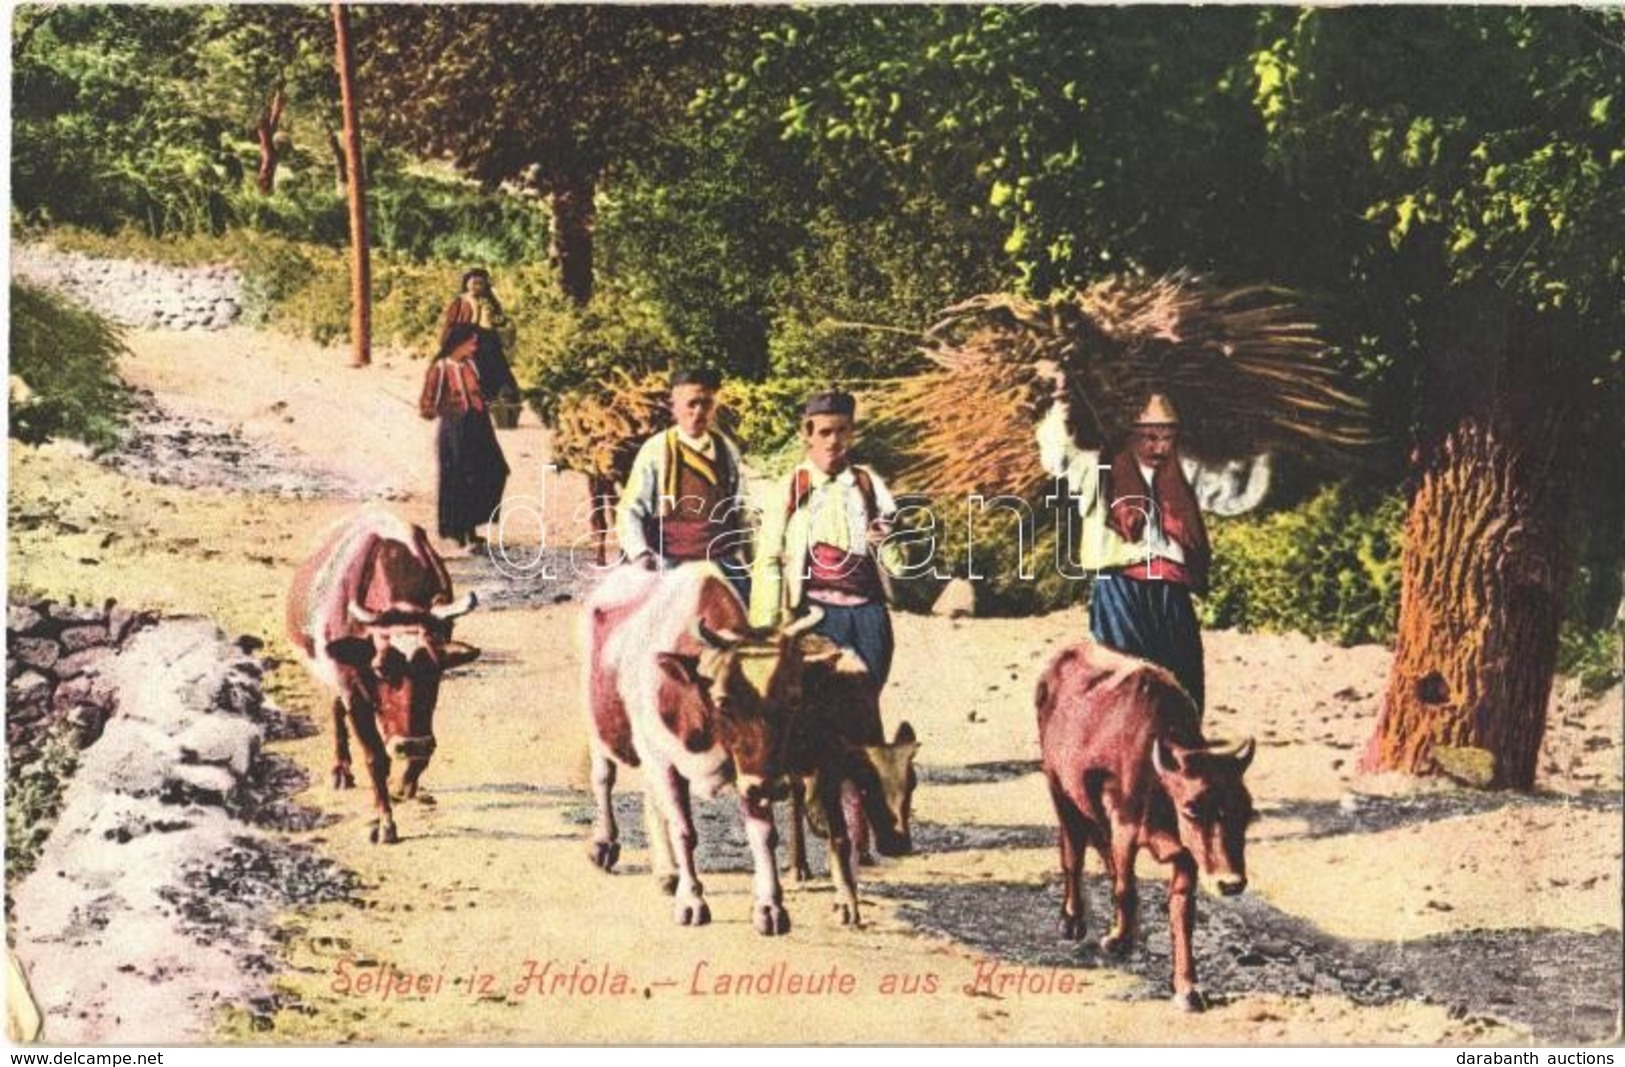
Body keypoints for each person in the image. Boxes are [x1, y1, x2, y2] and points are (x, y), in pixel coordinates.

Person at [1043, 390, 1211, 712]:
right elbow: (1058, 457)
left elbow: (1231, 490)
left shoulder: (1183, 470)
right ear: (1130, 434)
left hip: (1171, 588)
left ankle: (1179, 757)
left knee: (1183, 686)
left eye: (1168, 436)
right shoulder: (1097, 465)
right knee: (1126, 683)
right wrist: (1062, 404)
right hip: (1120, 587)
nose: (1160, 445)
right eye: (1150, 436)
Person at [750, 390, 905, 688]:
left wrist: (884, 541)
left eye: (841, 431)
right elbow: (769, 558)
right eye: (825, 432)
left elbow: (899, 565)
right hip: (816, 612)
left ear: (851, 433)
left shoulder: (867, 483)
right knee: (818, 698)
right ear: (808, 434)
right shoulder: (791, 486)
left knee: (867, 695)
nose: (833, 441)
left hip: (869, 612)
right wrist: (766, 626)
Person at [616, 367, 751, 597]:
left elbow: (742, 509)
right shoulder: (656, 449)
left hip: (721, 560)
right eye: (691, 404)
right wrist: (640, 554)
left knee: (747, 620)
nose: (698, 412)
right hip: (670, 562)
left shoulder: (727, 450)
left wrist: (752, 558)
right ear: (675, 407)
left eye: (706, 404)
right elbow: (630, 509)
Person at [419, 322, 510, 550]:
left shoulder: (472, 364)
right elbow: (427, 406)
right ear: (458, 343)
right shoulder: (439, 368)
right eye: (471, 342)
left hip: (479, 424)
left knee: (495, 469)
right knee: (460, 477)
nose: (475, 346)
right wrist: (439, 409)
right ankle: (463, 532)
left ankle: (473, 525)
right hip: (455, 428)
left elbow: (481, 391)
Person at [439, 268, 520, 408]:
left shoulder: (489, 300)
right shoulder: (460, 301)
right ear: (466, 284)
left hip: (488, 341)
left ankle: (500, 398)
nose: (477, 286)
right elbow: (450, 323)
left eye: (480, 283)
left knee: (497, 369)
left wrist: (492, 318)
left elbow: (499, 320)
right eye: (473, 283)